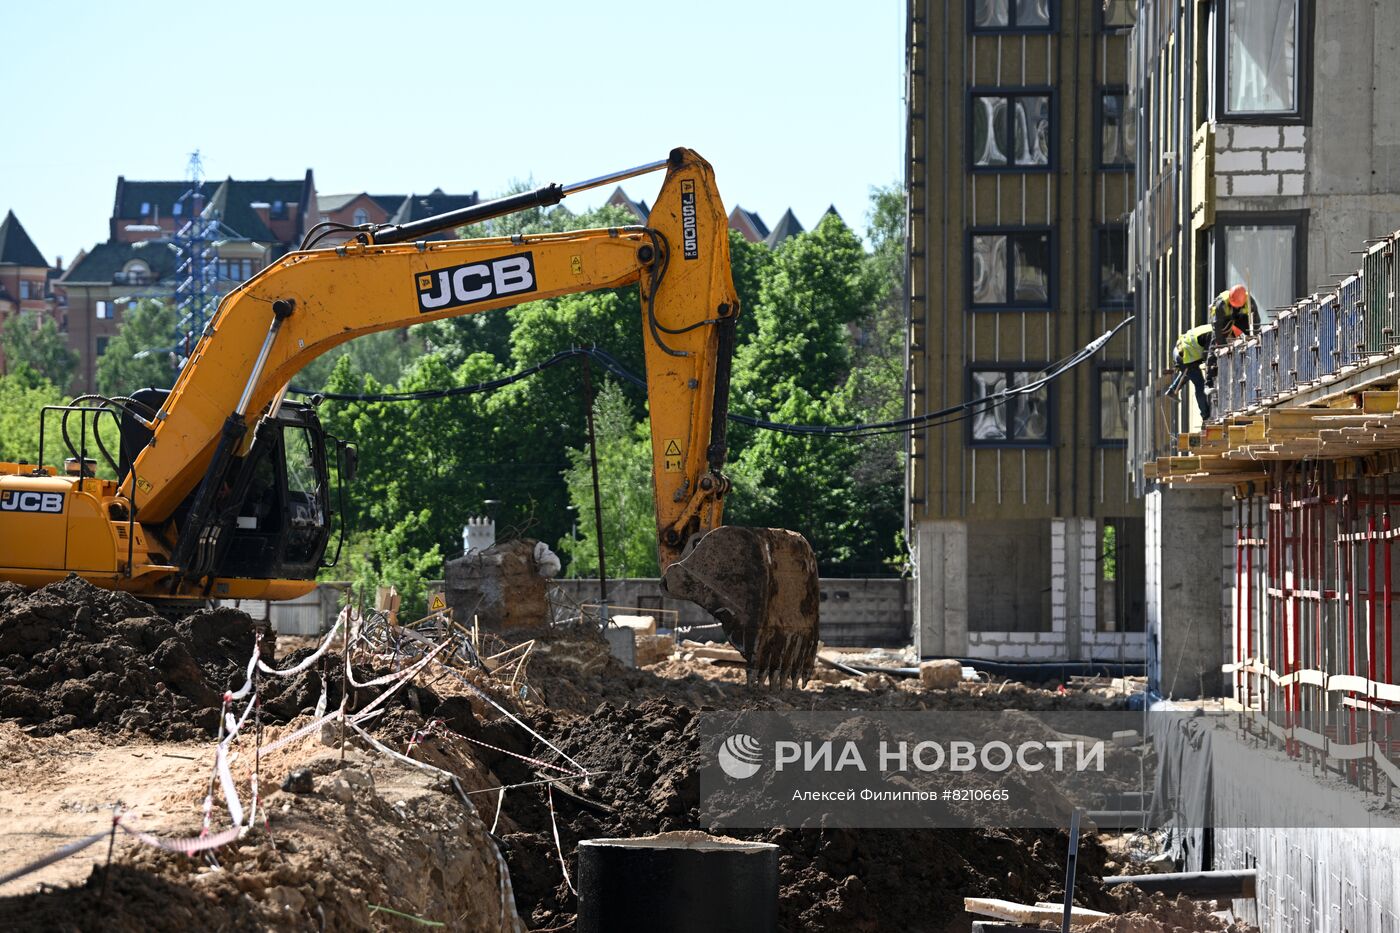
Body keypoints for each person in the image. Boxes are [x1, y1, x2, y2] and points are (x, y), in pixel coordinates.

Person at [1167, 323, 1215, 420]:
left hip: (1180, 351)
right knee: (1200, 384)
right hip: (1184, 355)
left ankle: (1173, 390)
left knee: (1189, 371)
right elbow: (1207, 355)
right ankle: (1205, 415)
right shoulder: (1212, 334)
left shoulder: (1211, 328)